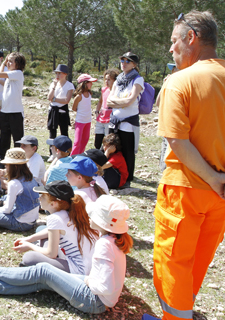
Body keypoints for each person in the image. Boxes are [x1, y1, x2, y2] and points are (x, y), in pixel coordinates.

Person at [142, 11, 225, 320]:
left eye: (174, 41)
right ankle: (184, 311)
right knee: (200, 259)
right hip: (220, 196)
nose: (170, 49)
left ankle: (176, 316)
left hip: (186, 188)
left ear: (192, 38)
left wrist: (212, 178)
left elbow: (177, 141)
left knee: (174, 261)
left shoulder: (179, 81)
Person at [0, 195, 133, 315]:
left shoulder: (105, 243)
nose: (89, 216)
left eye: (93, 214)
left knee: (44, 271)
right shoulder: (112, 239)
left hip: (94, 300)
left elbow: (104, 287)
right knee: (46, 281)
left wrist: (88, 280)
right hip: (100, 299)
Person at [15, 181, 98, 275]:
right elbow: (52, 230)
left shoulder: (54, 218)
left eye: (43, 196)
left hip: (78, 270)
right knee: (41, 229)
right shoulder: (70, 211)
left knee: (29, 257)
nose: (39, 197)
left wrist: (29, 246)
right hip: (89, 265)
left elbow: (51, 254)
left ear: (53, 204)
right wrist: (28, 239)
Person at [107, 52, 145, 189]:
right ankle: (113, 173)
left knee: (128, 150)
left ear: (134, 64)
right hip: (115, 119)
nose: (123, 63)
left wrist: (120, 102)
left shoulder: (138, 80)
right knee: (112, 148)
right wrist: (122, 102)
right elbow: (109, 100)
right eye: (122, 60)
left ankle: (127, 178)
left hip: (128, 122)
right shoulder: (118, 80)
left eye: (127, 61)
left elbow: (131, 100)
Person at [0, 148, 39, 232]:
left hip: (21, 223)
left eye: (6, 165)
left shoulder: (14, 183)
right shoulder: (30, 177)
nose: (5, 167)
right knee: (4, 198)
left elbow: (7, 210)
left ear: (14, 166)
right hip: (31, 220)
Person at [0, 52, 26, 163]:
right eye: (7, 61)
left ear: (18, 64)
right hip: (5, 111)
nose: (8, 63)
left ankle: (18, 160)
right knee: (4, 137)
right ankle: (3, 159)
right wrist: (1, 108)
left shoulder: (18, 73)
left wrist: (3, 64)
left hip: (15, 112)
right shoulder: (10, 75)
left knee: (17, 138)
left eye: (10, 61)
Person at [47, 64, 75, 161]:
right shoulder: (53, 83)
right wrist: (54, 86)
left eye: (60, 73)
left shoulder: (69, 85)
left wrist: (54, 99)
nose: (57, 75)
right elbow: (48, 97)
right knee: (52, 133)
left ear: (65, 74)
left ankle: (65, 152)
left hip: (62, 111)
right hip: (53, 110)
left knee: (64, 133)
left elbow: (66, 100)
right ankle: (52, 153)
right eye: (56, 73)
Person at [156, 63, 179, 172]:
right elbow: (158, 102)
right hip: (167, 124)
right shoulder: (169, 85)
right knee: (165, 149)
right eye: (173, 70)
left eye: (176, 69)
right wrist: (164, 86)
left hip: (178, 126)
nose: (173, 72)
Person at [71, 74, 97, 156]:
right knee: (77, 141)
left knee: (85, 140)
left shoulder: (89, 94)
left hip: (88, 121)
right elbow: (74, 108)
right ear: (84, 83)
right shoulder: (79, 96)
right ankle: (72, 157)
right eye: (90, 82)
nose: (91, 84)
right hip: (80, 121)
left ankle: (80, 156)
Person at [94, 68, 119, 149]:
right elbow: (100, 101)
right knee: (97, 141)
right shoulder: (104, 90)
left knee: (107, 141)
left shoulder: (117, 92)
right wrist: (97, 111)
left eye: (109, 79)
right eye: (105, 79)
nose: (106, 81)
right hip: (101, 118)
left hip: (110, 119)